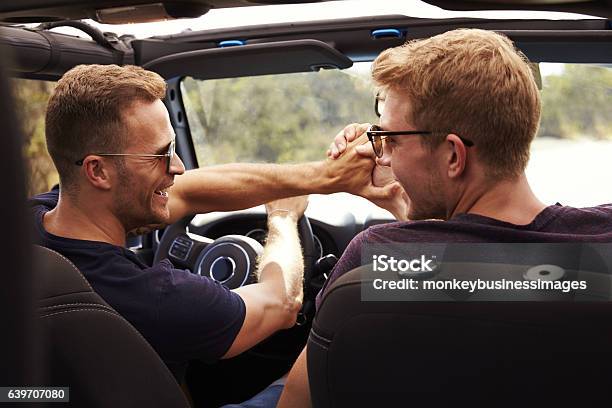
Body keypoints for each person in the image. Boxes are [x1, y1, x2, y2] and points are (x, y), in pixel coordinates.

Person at [277, 28, 612, 407]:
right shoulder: (603, 245)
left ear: (453, 155)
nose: (382, 157)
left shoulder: (376, 259)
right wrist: (406, 184)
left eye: (391, 141)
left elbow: (300, 399)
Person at [29, 63, 399, 403]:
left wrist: (321, 177)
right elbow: (282, 302)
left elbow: (187, 191)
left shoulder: (29, 221)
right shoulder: (154, 298)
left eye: (174, 147)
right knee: (307, 379)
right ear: (98, 172)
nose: (177, 166)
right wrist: (284, 216)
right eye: (160, 155)